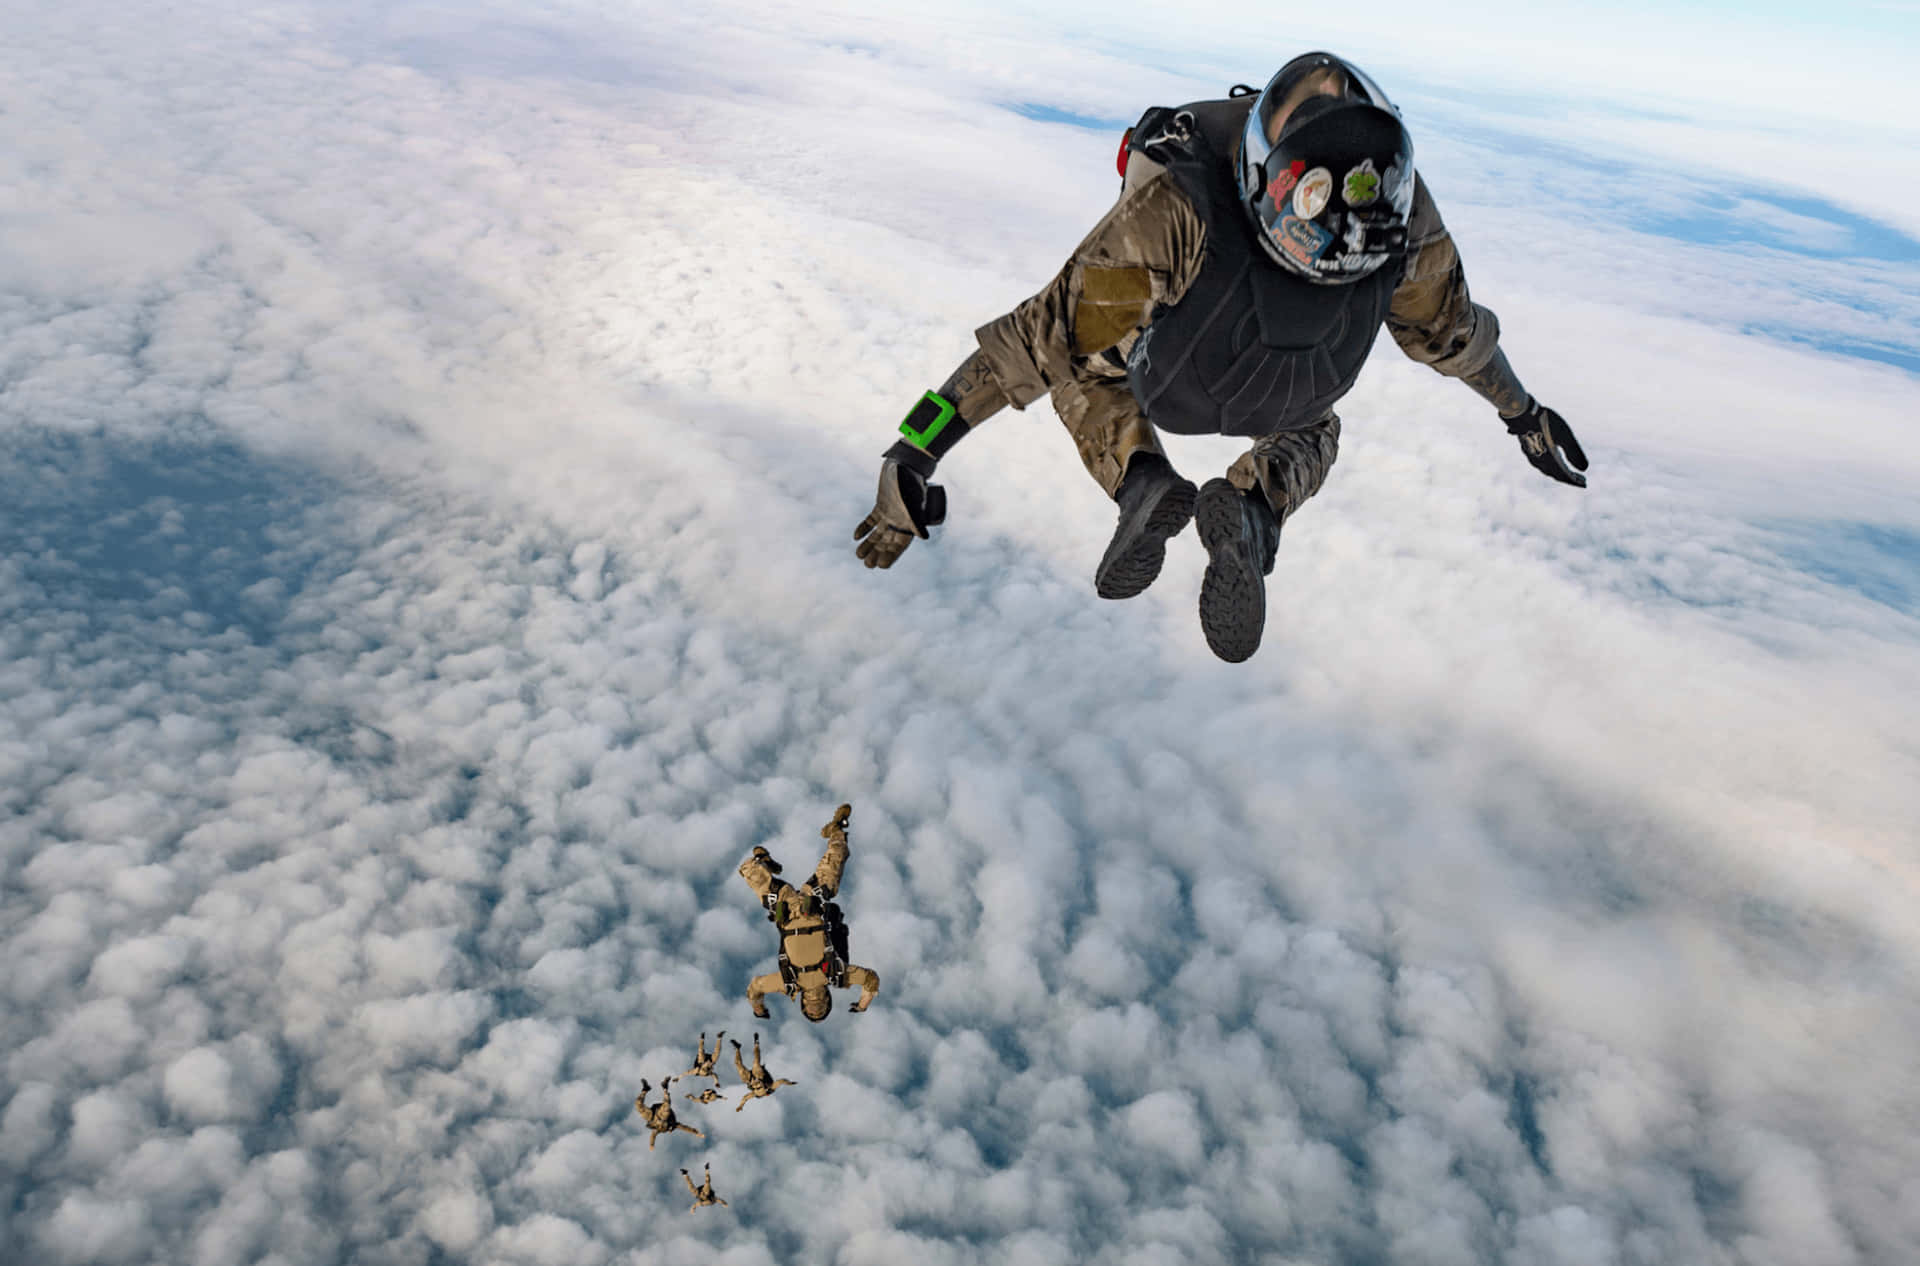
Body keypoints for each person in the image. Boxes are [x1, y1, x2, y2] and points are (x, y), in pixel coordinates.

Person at [853, 51, 1589, 662]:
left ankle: (1141, 480)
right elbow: (1455, 338)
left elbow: (1033, 343)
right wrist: (1524, 415)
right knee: (1315, 432)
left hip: (1168, 379)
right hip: (1299, 395)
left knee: (1084, 370)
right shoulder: (1403, 217)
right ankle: (1256, 510)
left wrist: (915, 451)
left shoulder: (1174, 208)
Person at [737, 803, 881, 1021]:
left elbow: (871, 980)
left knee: (837, 856)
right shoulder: (789, 983)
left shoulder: (836, 975)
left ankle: (837, 830)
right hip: (786, 907)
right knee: (749, 872)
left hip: (814, 904)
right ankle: (759, 862)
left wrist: (863, 1005)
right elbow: (755, 988)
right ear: (803, 1001)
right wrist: (759, 1009)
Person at [633, 1077, 705, 1150]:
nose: (670, 1131)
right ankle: (665, 1088)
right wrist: (696, 1133)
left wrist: (651, 1144)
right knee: (666, 1108)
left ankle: (645, 1090)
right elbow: (685, 1128)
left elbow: (653, 1135)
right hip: (662, 1115)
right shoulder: (674, 1124)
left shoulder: (659, 1130)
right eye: (671, 1130)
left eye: (670, 1130)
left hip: (651, 1117)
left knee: (638, 1106)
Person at [731, 1033, 797, 1110]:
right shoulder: (770, 1087)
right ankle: (756, 1043)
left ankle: (737, 1048)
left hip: (749, 1079)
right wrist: (789, 1083)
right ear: (765, 1088)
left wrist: (741, 1106)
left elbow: (745, 1098)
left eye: (755, 1088)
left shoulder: (754, 1092)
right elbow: (780, 1081)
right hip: (760, 1075)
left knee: (738, 1065)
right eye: (758, 1086)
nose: (756, 1085)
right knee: (756, 1063)